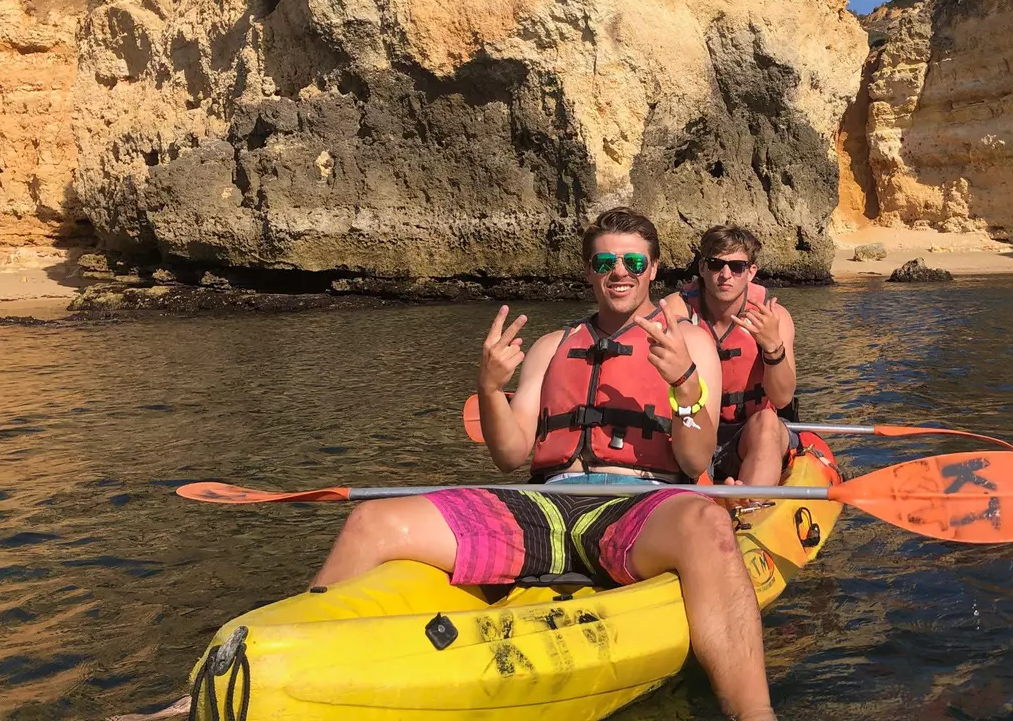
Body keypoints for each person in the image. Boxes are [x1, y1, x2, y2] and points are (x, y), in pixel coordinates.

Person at [307, 207, 778, 721]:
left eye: (633, 262)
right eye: (605, 262)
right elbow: (509, 455)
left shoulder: (690, 343)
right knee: (372, 520)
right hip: (545, 504)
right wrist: (490, 389)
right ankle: (291, 659)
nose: (619, 272)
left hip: (638, 506)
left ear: (653, 269)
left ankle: (754, 713)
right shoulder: (553, 346)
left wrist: (685, 386)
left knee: (708, 522)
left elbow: (694, 457)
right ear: (588, 270)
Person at [661, 225, 797, 489]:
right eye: (716, 265)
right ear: (702, 268)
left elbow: (782, 398)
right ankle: (701, 498)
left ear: (751, 272)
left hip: (749, 432)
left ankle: (750, 503)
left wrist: (772, 347)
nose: (725, 275)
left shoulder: (774, 317)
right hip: (691, 429)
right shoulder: (677, 310)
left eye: (737, 267)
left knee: (768, 422)